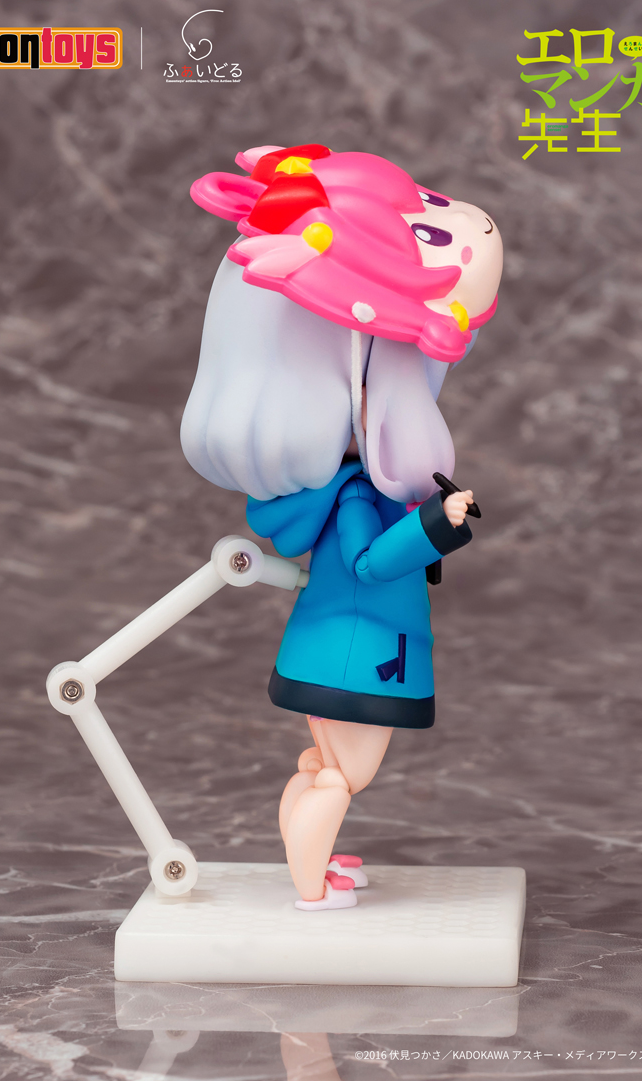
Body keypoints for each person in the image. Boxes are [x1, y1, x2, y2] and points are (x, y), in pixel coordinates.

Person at [182, 144, 503, 909]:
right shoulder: (355, 493)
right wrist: (437, 523)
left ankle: (315, 862)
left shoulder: (348, 483)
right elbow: (366, 564)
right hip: (360, 656)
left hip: (343, 649)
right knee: (344, 773)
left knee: (323, 764)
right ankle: (310, 885)